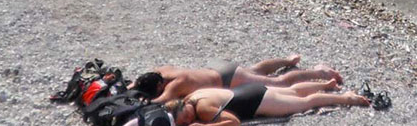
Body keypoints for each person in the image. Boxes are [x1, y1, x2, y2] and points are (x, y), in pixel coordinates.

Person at [132, 59, 342, 103]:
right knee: (257, 69)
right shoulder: (161, 70)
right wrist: (130, 87)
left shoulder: (176, 84)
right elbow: (136, 82)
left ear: (160, 85)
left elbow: (161, 101)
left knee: (279, 82)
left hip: (228, 80)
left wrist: (140, 101)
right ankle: (288, 60)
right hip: (217, 67)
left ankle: (321, 72)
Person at [166, 81, 368, 125]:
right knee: (292, 90)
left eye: (185, 120)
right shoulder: (191, 96)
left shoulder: (202, 109)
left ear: (184, 111)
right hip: (248, 89)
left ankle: (347, 98)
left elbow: (233, 122)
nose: (187, 122)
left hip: (257, 101)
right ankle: (326, 84)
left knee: (304, 103)